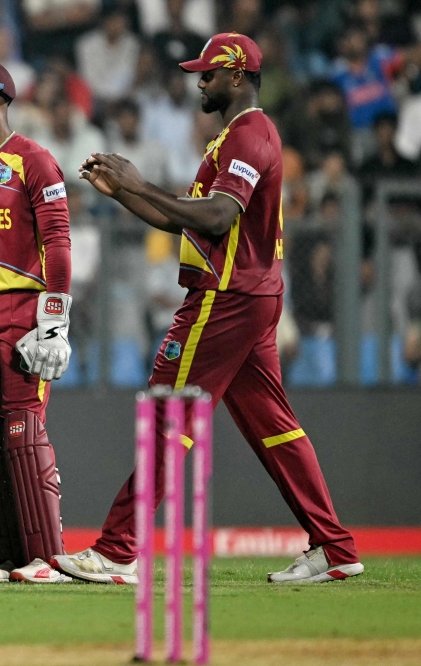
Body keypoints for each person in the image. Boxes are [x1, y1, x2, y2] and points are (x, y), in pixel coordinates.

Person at [54, 33, 364, 585]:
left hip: (226, 298)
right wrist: (124, 193)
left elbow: (218, 218)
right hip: (252, 295)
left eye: (209, 73)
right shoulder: (239, 135)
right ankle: (334, 547)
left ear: (238, 76)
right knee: (276, 428)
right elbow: (186, 219)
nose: (199, 80)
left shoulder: (248, 135)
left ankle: (118, 549)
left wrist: (140, 182)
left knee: (169, 416)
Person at [0, 60, 72, 584]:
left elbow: (58, 243)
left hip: (23, 310)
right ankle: (12, 558)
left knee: (22, 427)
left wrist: (55, 319)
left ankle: (48, 558)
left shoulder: (34, 160)